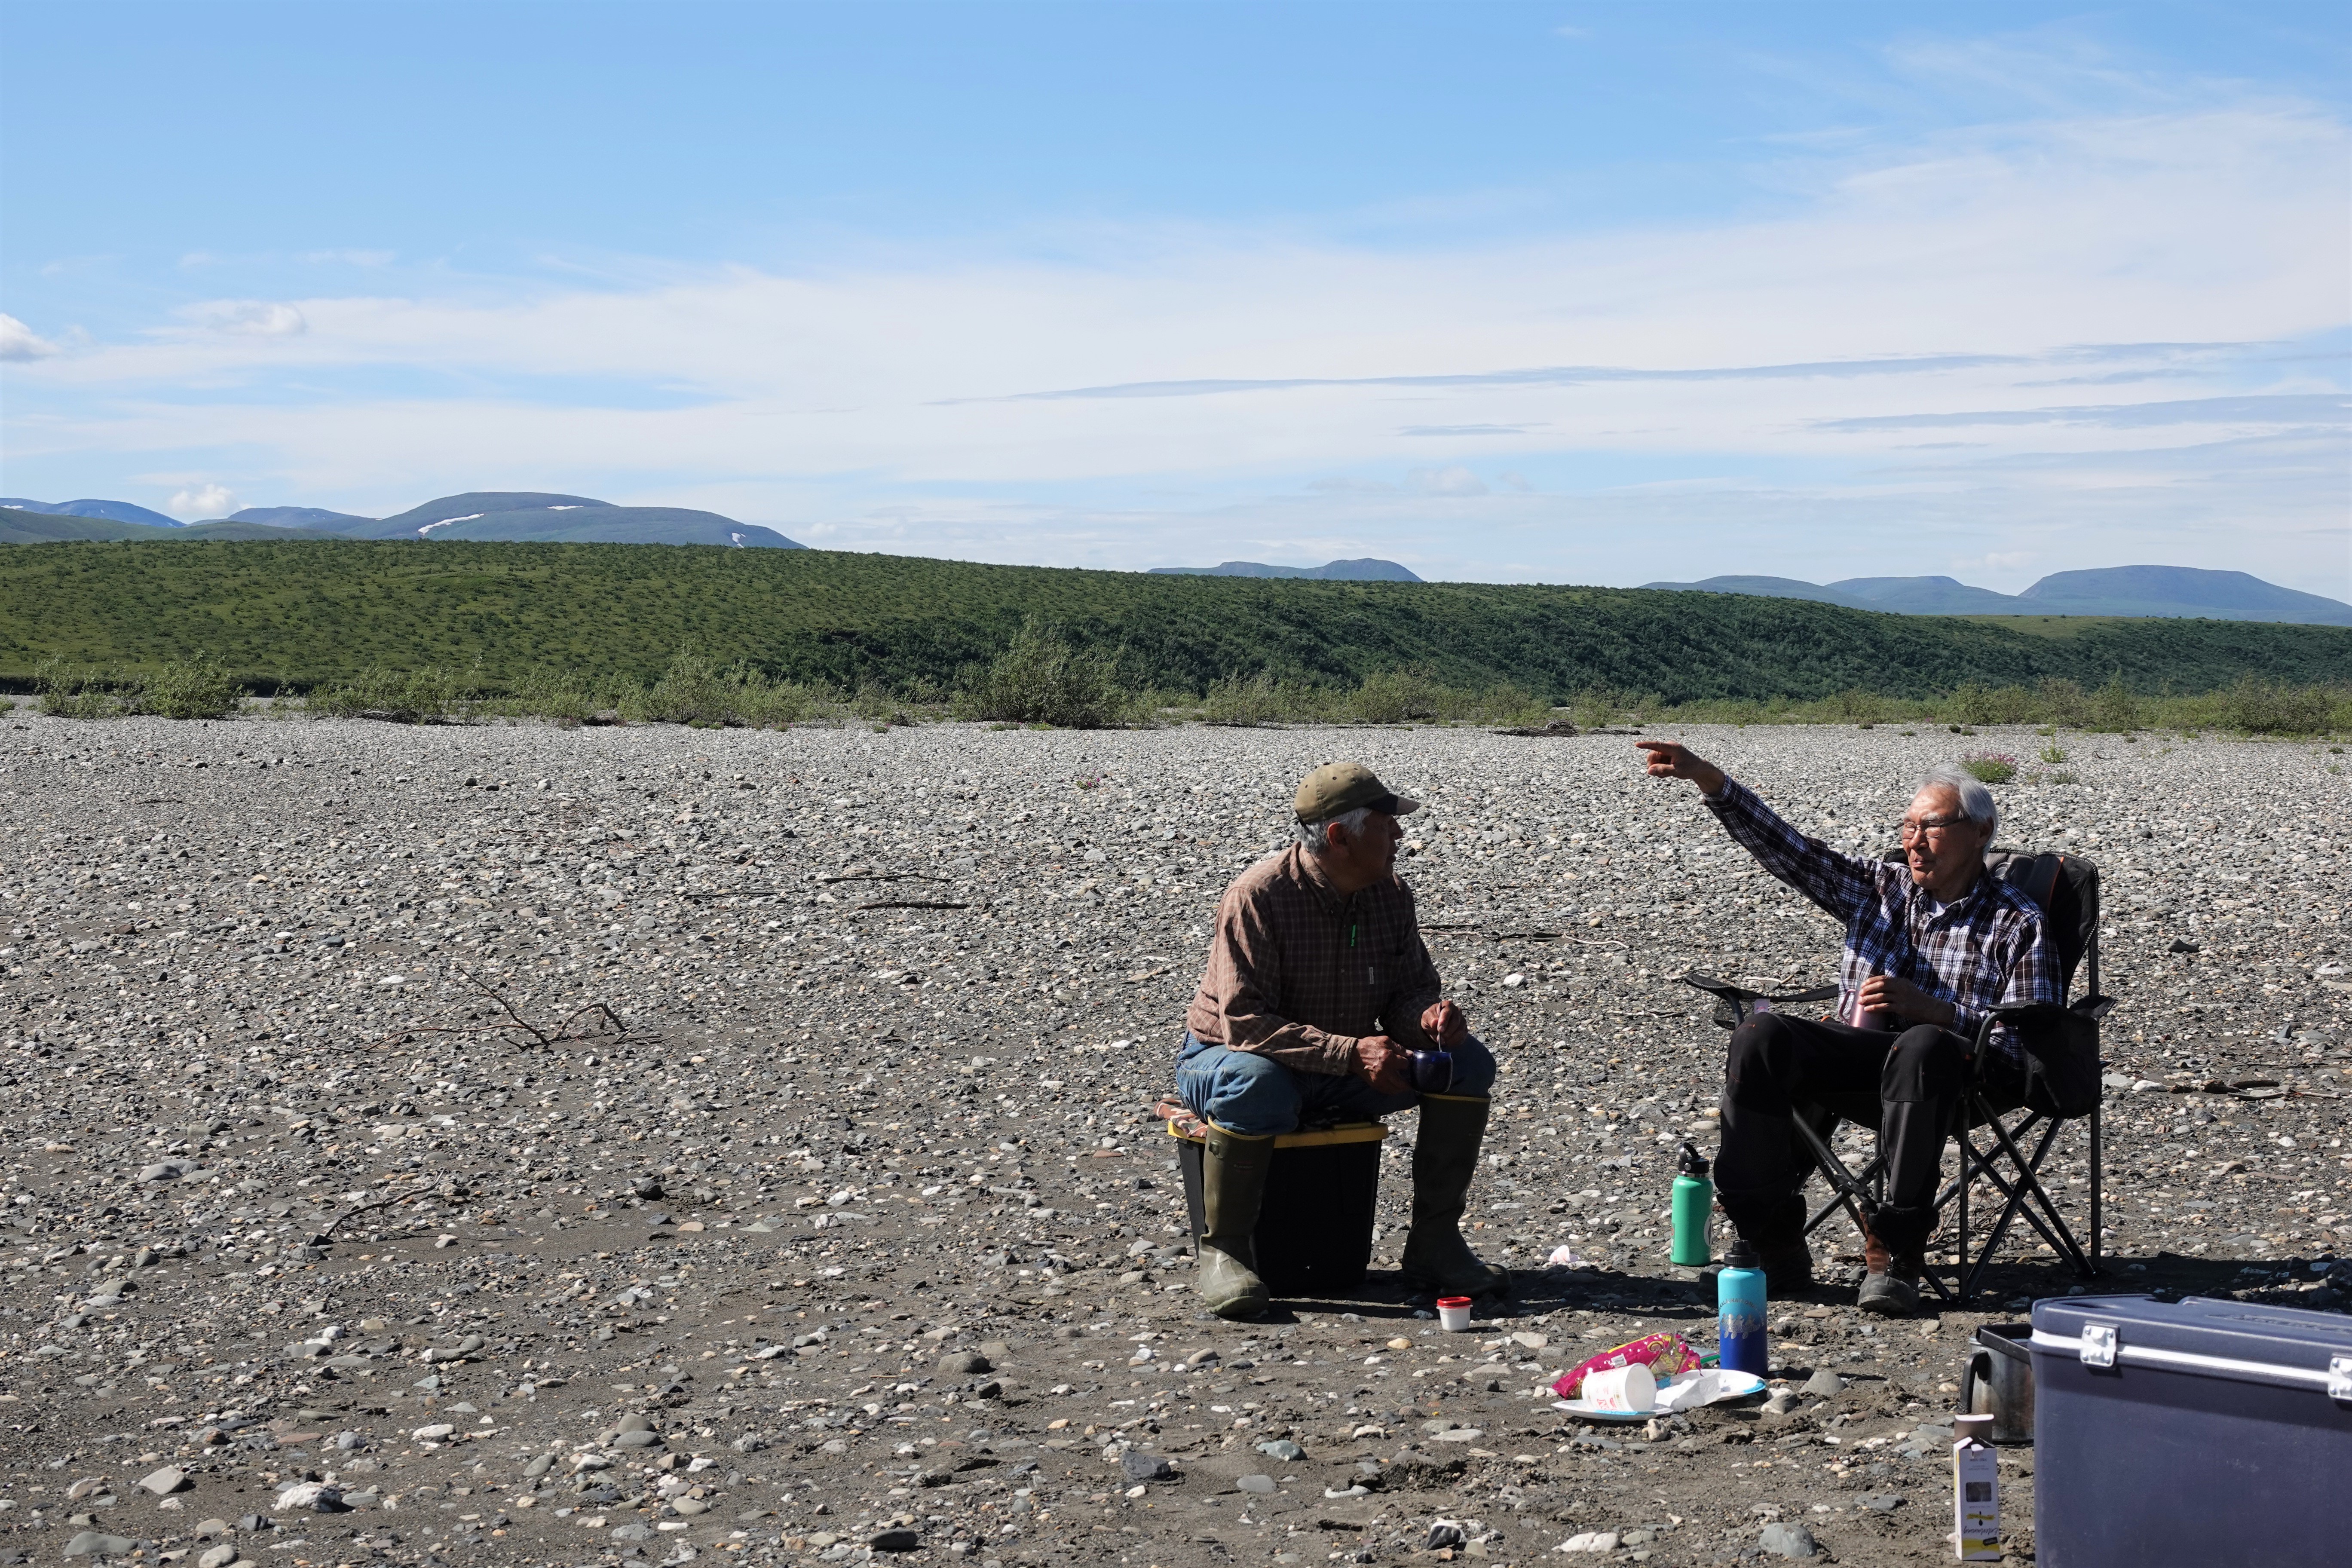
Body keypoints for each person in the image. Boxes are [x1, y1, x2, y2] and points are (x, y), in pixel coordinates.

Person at [1637, 740, 2058, 1316]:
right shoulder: (1880, 890)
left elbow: (2026, 1049)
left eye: (1929, 827)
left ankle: (1896, 1253)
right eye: (1907, 827)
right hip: (1858, 1060)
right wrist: (1709, 780)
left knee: (1922, 1044)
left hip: (1954, 1076)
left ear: (1979, 832)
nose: (1912, 840)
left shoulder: (2017, 921)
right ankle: (1771, 1237)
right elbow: (1794, 855)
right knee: (1762, 1036)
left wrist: (1938, 1012)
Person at [1176, 761, 1509, 1320]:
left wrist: (1430, 1021)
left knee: (1466, 1063)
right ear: (1340, 836)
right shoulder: (1259, 896)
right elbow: (1244, 1022)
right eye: (1386, 824)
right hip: (1231, 1060)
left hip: (1345, 1068)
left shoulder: (1391, 895)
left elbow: (1409, 994)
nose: (1399, 835)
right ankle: (1226, 1252)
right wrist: (1350, 1053)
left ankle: (1436, 1245)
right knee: (1259, 1084)